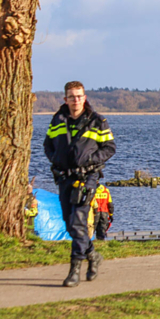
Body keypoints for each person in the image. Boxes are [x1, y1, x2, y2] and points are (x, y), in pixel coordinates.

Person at [43, 81, 116, 287]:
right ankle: (93, 255)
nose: (76, 100)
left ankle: (74, 270)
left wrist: (90, 161)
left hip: (86, 178)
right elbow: (47, 144)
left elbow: (109, 148)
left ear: (84, 98)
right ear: (65, 99)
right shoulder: (58, 119)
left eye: (79, 96)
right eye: (72, 97)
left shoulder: (97, 121)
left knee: (78, 222)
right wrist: (55, 160)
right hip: (64, 177)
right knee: (69, 223)